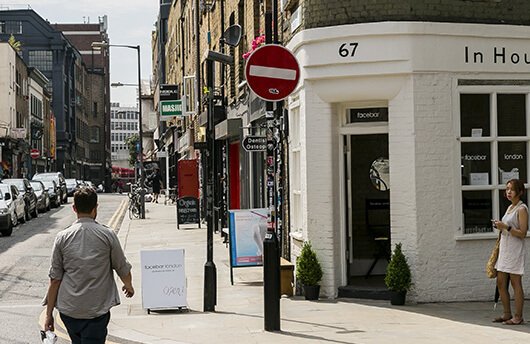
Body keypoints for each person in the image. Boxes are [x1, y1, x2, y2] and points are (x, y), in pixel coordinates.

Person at [44, 187, 134, 343]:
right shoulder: (107, 235)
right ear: (96, 208)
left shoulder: (62, 237)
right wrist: (128, 285)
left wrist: (48, 314)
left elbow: (55, 279)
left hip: (69, 311)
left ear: (74, 208)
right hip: (96, 312)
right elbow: (122, 267)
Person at [492, 178, 527, 325]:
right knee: (501, 282)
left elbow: (523, 232)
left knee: (515, 282)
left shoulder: (521, 208)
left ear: (519, 191)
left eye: (511, 189)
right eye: (507, 189)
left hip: (515, 249)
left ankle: (518, 316)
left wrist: (506, 227)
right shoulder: (509, 207)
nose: (508, 192)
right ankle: (507, 313)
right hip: (505, 248)